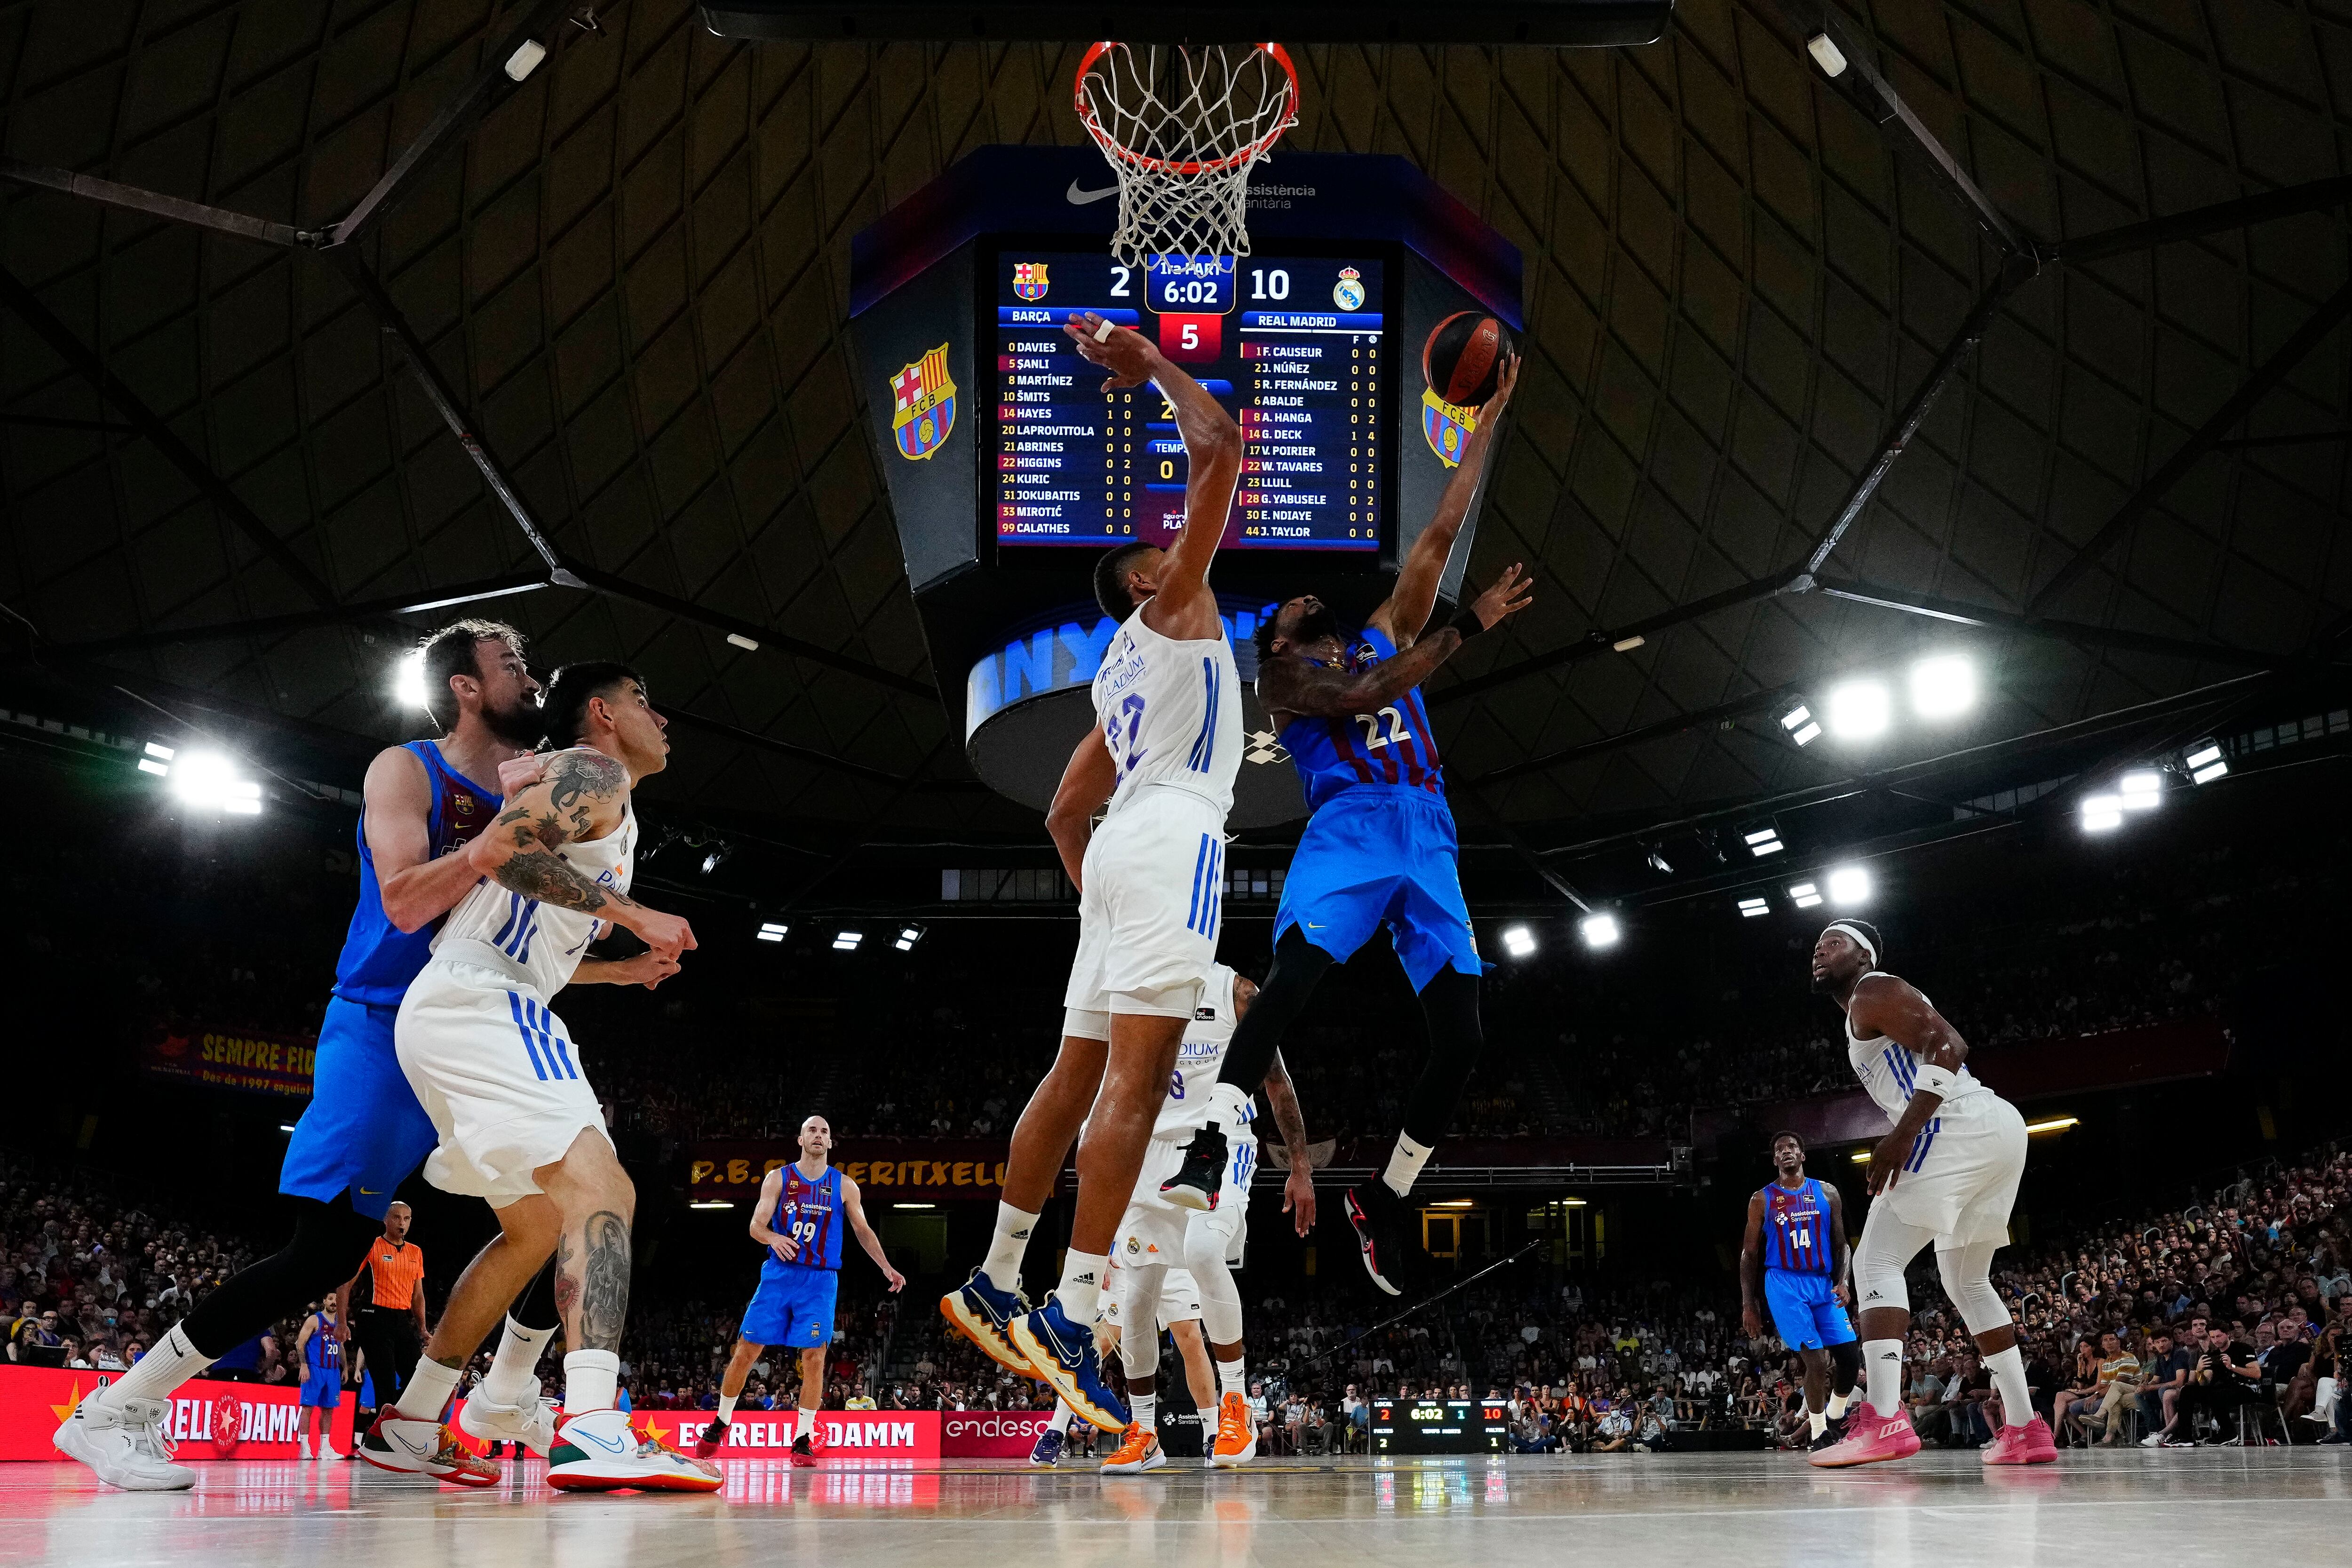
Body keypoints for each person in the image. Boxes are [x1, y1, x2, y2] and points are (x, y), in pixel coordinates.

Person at [53, 620, 547, 1491]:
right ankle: (117, 1407)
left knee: (559, 1204)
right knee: (324, 1252)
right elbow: (400, 902)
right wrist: (496, 837)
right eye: (513, 665)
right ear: (466, 687)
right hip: (384, 1026)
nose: (532, 676)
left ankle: (494, 1398)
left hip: (476, 1029)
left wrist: (631, 954)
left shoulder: (536, 786)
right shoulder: (408, 769)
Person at [1154, 362, 1534, 1298]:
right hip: (1353, 829)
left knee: (1463, 1036)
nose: (1296, 598)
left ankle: (1388, 1197)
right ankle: (1209, 1145)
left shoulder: (1385, 622)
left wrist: (1487, 417)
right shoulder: (1282, 685)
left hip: (1429, 826)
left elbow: (1442, 529)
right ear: (1278, 643)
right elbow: (1366, 693)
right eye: (1282, 609)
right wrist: (1470, 629)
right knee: (1290, 984)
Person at [939, 306, 1245, 1435]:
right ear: (1148, 576)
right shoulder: (1178, 605)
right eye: (1165, 548)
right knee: (1136, 1073)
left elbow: (1067, 806)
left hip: (1119, 845)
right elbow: (1220, 449)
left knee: (1073, 1072)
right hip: (1173, 834)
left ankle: (995, 1272)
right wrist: (1154, 360)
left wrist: (1103, 903)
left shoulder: (1112, 675)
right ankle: (1070, 1309)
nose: (1183, 546)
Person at [372, 661, 716, 1493]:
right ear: (602, 713)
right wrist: (634, 914)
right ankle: (593, 1423)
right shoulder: (590, 768)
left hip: (462, 1000)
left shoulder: (602, 796)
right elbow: (506, 852)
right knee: (606, 1189)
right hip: (483, 999)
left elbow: (531, 936)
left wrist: (621, 971)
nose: (661, 717)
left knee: (531, 1228)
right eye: (644, 699)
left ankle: (413, 1421)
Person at [1803, 921, 2056, 1468]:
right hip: (1995, 1128)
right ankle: (2024, 1428)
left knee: (1875, 1262)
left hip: (1955, 1121)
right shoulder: (1865, 1009)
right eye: (1817, 944)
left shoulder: (1874, 989)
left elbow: (1950, 1045)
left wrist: (1901, 1133)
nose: (1819, 950)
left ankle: (1885, 1418)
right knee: (1966, 1280)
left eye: (1834, 942)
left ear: (1864, 955)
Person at [1097, 963, 1316, 1473]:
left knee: (1200, 1252)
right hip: (1149, 1150)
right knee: (1136, 1294)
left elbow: (1278, 1084)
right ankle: (1145, 1432)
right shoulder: (1137, 986)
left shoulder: (1235, 991)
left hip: (1220, 1145)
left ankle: (1235, 1409)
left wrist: (1299, 1167)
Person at [693, 1115, 906, 1467]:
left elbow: (863, 1230)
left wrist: (886, 1265)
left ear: (831, 1143)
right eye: (813, 1129)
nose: (819, 1135)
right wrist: (773, 1236)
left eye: (825, 1131)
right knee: (747, 1350)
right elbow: (755, 1225)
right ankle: (721, 1421)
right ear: (800, 1138)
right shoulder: (779, 1178)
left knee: (815, 1357)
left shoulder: (844, 1185)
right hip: (779, 1275)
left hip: (820, 1280)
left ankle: (803, 1438)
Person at [1739, 1130, 1861, 1452]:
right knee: (1817, 1361)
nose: (1787, 1151)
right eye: (1780, 1149)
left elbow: (1842, 1245)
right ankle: (1820, 1435)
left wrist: (1844, 1281)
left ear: (1803, 1155)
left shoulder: (1827, 1192)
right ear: (1775, 1160)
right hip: (1784, 1283)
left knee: (1850, 1358)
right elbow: (1749, 1253)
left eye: (1793, 1146)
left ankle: (1833, 1419)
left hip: (1822, 1282)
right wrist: (1748, 1302)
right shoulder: (1762, 1198)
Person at [340, 1203, 427, 1419]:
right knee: (385, 1380)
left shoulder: (416, 1252)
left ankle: (399, 1427)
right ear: (385, 1220)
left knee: (417, 1377)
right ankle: (383, 1438)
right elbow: (345, 1285)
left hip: (402, 1319)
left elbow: (418, 1296)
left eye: (407, 1218)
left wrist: (423, 1328)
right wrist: (341, 1322)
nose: (402, 1223)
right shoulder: (371, 1246)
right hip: (373, 1316)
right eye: (397, 1218)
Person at [294, 1297, 345, 1460]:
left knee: (329, 1409)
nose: (334, 1302)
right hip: (315, 1368)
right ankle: (305, 1448)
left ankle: (324, 1449)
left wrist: (345, 1368)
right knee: (308, 1408)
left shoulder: (340, 1322)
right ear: (325, 1300)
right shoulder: (315, 1319)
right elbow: (300, 1344)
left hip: (333, 1371)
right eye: (331, 1299)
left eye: (337, 1299)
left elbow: (341, 1346)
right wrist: (304, 1365)